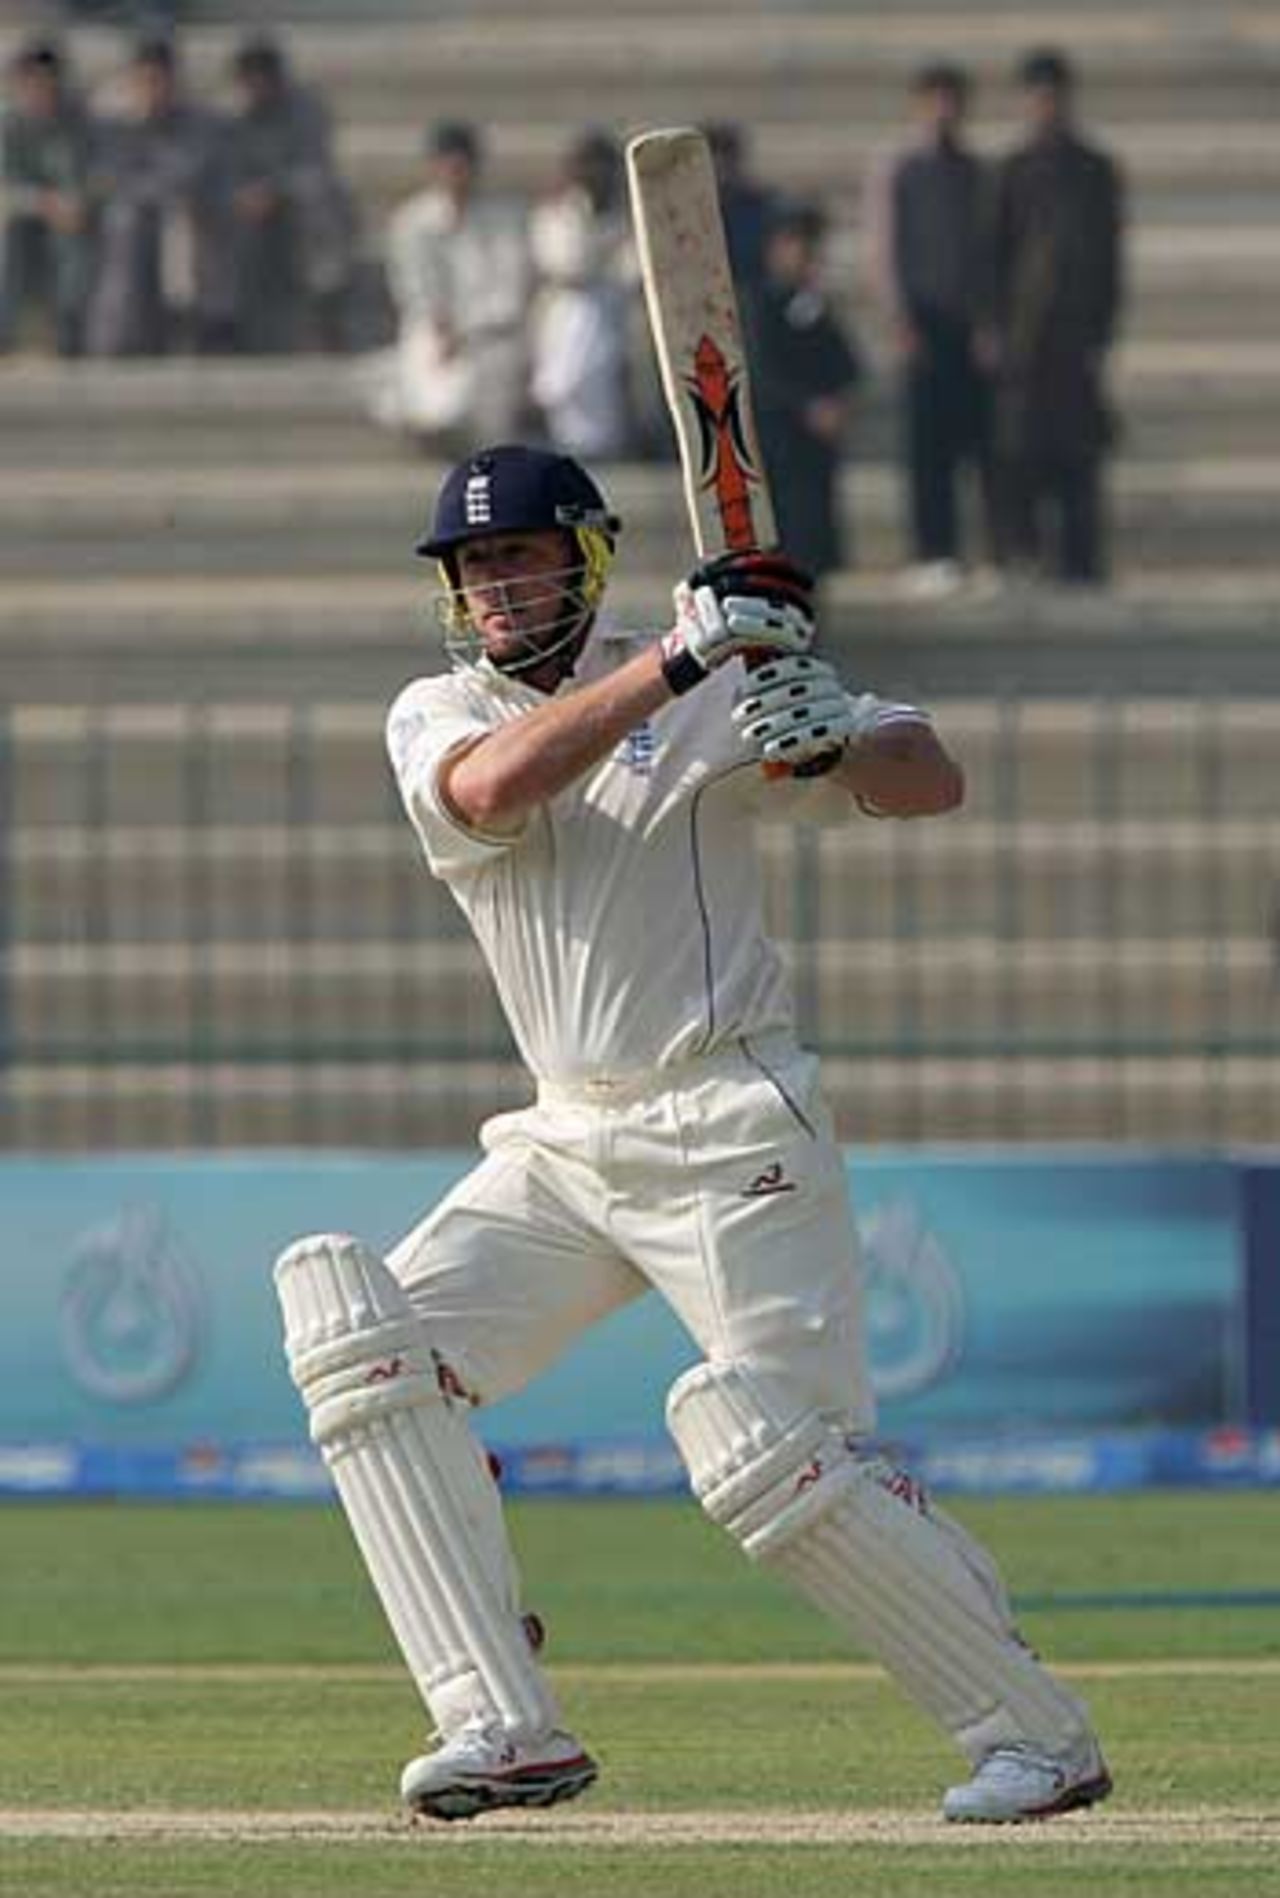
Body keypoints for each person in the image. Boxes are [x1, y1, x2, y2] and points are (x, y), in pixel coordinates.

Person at [273, 441, 1113, 1828]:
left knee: (773, 1452)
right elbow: (493, 793)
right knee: (359, 1338)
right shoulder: (443, 708)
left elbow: (930, 778)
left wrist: (829, 730)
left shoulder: (718, 678)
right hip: (562, 1138)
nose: (494, 588)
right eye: (473, 568)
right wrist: (678, 658)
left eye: (519, 557)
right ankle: (499, 1722)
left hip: (729, 1120)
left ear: (582, 561)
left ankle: (1036, 1733)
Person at [985, 49, 1124, 584]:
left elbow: (1110, 257)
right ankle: (1024, 555)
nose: (1047, 105)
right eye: (1038, 96)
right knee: (1021, 451)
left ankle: (1081, 561)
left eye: (1055, 95)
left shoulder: (1095, 170)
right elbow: (992, 255)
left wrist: (1103, 329)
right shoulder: (1011, 170)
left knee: (1080, 453)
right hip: (1025, 340)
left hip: (1076, 337)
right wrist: (993, 328)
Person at [863, 62, 995, 598]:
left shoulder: (975, 172)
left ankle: (979, 552)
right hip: (922, 325)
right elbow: (885, 249)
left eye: (953, 99)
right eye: (936, 99)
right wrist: (899, 318)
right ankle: (931, 552)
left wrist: (988, 321)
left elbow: (987, 252)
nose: (945, 110)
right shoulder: (899, 169)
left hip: (968, 325)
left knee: (977, 445)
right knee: (926, 447)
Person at [362, 119, 531, 445]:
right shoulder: (412, 221)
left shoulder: (506, 218)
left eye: (462, 166)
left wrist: (467, 329)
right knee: (435, 401)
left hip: (492, 333)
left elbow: (509, 289)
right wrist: (442, 328)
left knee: (481, 394)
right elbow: (413, 288)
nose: (455, 175)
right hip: (435, 333)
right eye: (447, 166)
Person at [85, 35, 236, 356]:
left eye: (159, 80)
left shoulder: (202, 121)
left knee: (182, 224)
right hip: (130, 222)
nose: (152, 89)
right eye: (143, 81)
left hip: (191, 218)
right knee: (125, 220)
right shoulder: (112, 122)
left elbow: (190, 175)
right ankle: (116, 339)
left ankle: (201, 331)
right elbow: (107, 178)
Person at [743, 199, 863, 586]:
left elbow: (847, 364)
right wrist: (808, 406)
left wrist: (837, 402)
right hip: (777, 444)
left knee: (810, 552)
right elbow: (761, 372)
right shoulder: (759, 303)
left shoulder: (814, 304)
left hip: (813, 451)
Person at [225, 34, 358, 353]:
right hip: (241, 215)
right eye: (249, 78)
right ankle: (221, 323)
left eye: (262, 76)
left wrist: (274, 191)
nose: (256, 86)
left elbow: (317, 168)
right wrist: (243, 195)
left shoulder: (308, 109)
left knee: (321, 200)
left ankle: (326, 311)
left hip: (295, 209)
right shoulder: (229, 115)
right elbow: (218, 172)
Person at [528, 127, 638, 459]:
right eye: (585, 166)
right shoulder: (554, 214)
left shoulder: (632, 217)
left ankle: (611, 438)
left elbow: (631, 271)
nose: (594, 175)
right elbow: (566, 264)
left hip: (621, 310)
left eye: (601, 167)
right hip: (566, 308)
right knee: (579, 317)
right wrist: (587, 221)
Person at [0, 39, 96, 356]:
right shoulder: (8, 124)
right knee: (10, 234)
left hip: (70, 217)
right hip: (25, 217)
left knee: (72, 236)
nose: (40, 88)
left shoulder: (79, 120)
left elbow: (94, 174)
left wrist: (78, 201)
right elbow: (6, 187)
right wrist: (45, 203)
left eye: (47, 79)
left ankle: (71, 331)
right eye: (32, 80)